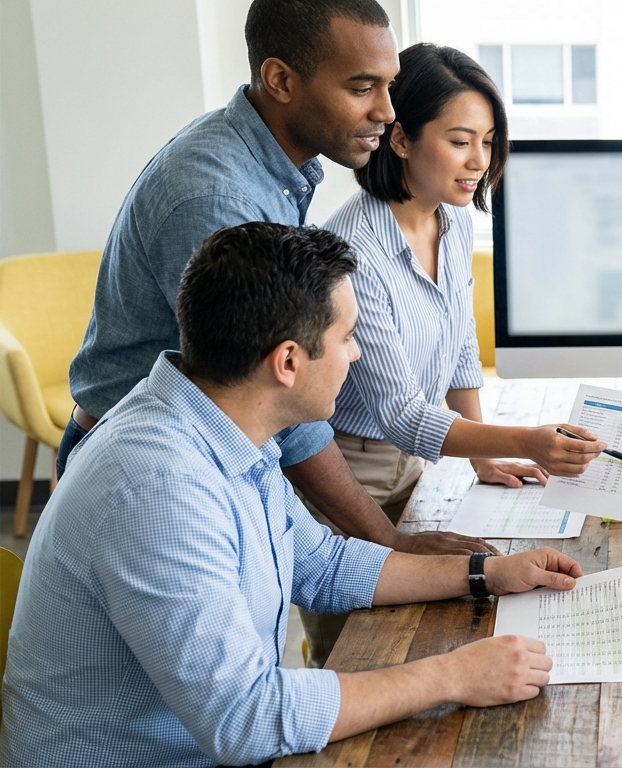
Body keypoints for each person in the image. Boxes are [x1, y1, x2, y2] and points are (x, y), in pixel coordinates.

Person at [1, 223, 581, 767]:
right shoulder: (160, 489)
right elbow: (244, 718)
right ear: (287, 362)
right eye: (347, 338)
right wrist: (453, 676)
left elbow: (321, 565)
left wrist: (484, 572)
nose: (356, 353)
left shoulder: (225, 429)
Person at [59, 0, 497, 560]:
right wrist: (385, 540)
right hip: (146, 472)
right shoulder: (219, 197)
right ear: (281, 79)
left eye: (389, 86)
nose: (388, 113)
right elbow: (279, 394)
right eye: (363, 87)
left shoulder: (270, 166)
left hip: (210, 452)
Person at [308, 43, 604, 666]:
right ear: (401, 140)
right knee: (355, 659)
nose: (480, 162)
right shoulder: (352, 249)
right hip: (345, 474)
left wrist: (489, 454)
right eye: (461, 140)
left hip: (409, 471)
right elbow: (401, 415)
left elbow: (460, 341)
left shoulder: (452, 217)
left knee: (418, 639)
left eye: (490, 141)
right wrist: (526, 439)